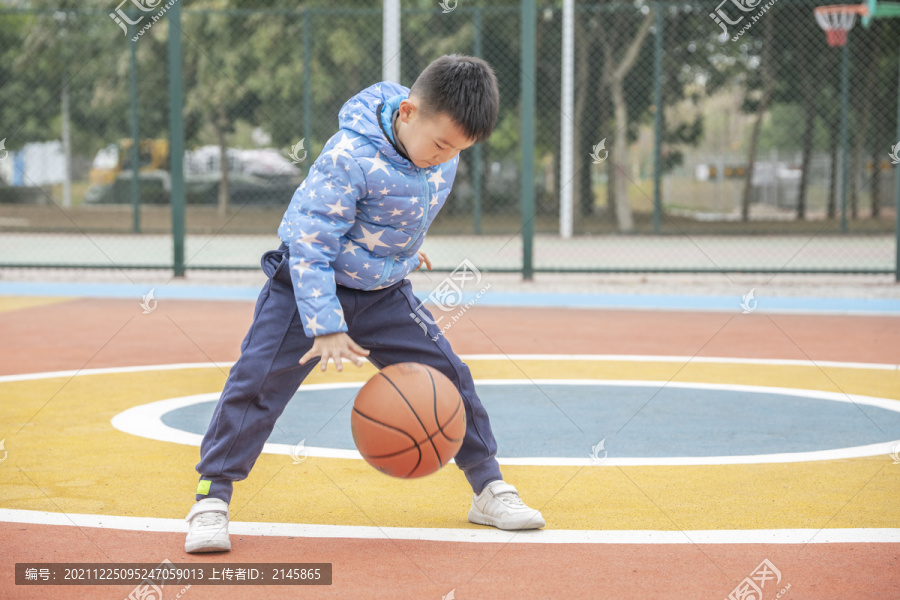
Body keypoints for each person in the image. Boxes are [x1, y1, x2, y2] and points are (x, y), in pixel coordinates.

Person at [184, 54, 545, 553]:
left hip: (383, 294)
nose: (444, 157)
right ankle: (211, 498)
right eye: (440, 144)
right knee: (255, 385)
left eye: (458, 150)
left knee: (451, 377)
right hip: (304, 289)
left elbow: (403, 204)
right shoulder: (347, 157)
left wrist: (400, 249)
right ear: (408, 113)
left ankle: (488, 488)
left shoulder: (441, 151)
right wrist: (325, 324)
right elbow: (311, 243)